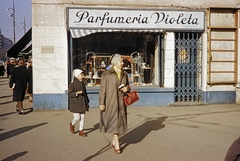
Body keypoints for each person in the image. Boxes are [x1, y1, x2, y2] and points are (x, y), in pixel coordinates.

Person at [99, 54, 130, 154]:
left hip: (121, 102)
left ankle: (114, 140)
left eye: (122, 61)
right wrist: (102, 103)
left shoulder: (124, 73)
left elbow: (128, 85)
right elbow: (102, 90)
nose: (122, 63)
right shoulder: (106, 74)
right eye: (120, 61)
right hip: (111, 102)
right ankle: (117, 143)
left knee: (118, 122)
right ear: (115, 62)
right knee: (114, 122)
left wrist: (127, 88)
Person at [68, 69, 90, 137]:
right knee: (77, 117)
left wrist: (87, 101)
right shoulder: (72, 84)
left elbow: (85, 93)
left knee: (83, 117)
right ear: (77, 75)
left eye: (82, 75)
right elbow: (69, 93)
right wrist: (76, 93)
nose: (82, 76)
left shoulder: (83, 84)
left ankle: (81, 130)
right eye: (81, 75)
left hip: (82, 102)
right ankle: (72, 124)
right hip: (76, 103)